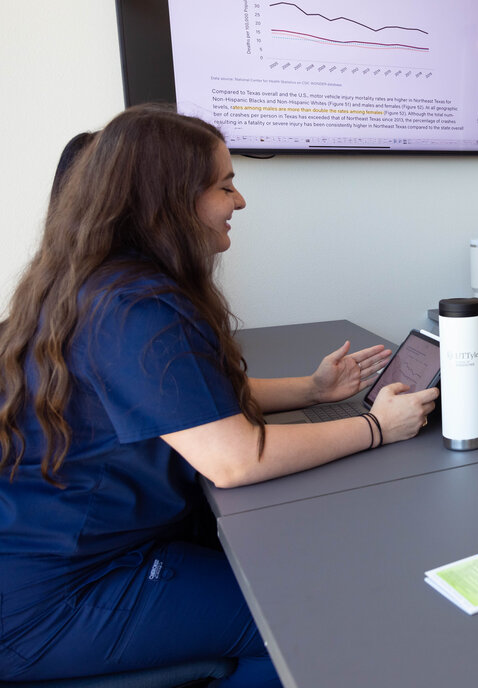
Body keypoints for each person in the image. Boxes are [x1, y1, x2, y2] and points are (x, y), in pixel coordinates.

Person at [0, 106, 438, 686]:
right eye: (224, 185)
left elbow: (187, 402)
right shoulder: (136, 308)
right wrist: (380, 426)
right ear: (169, 201)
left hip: (52, 561)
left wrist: (312, 389)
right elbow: (233, 458)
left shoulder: (102, 284)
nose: (240, 201)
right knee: (317, 625)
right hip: (63, 596)